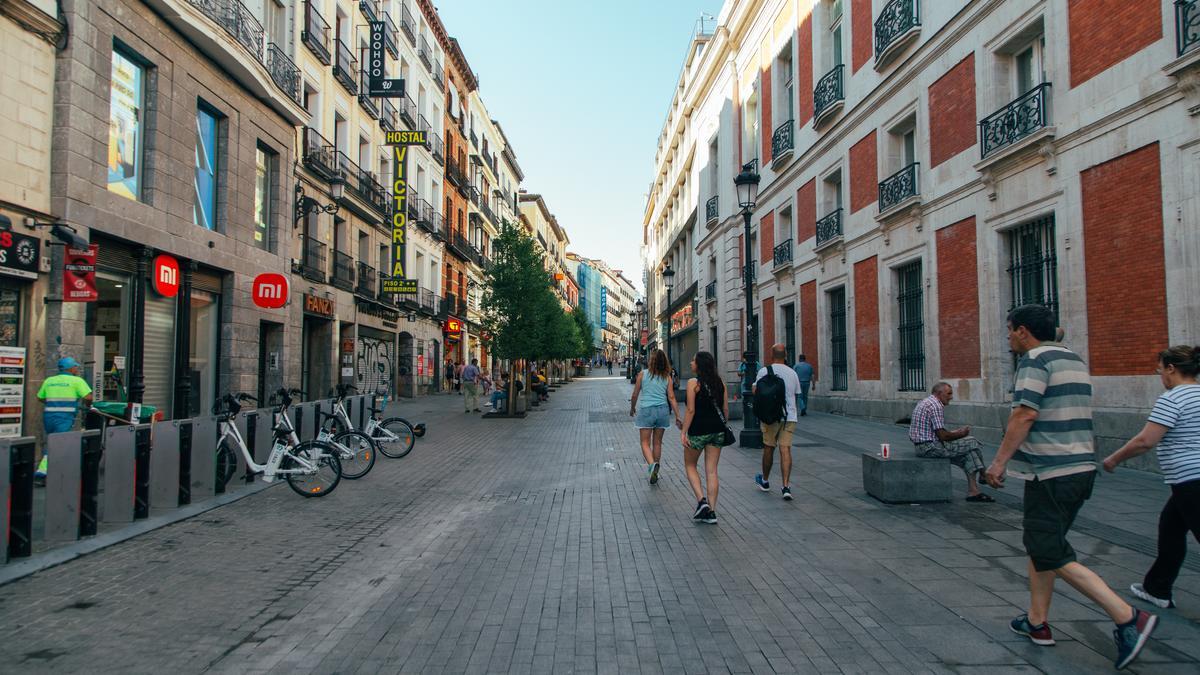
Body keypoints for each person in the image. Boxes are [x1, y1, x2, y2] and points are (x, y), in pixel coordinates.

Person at [985, 304, 1156, 669]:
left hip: (1051, 471)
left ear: (1023, 331)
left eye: (1010, 330)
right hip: (1080, 468)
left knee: (1047, 547)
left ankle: (1127, 617)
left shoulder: (1033, 360)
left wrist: (998, 462)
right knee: (1045, 545)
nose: (1009, 337)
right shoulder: (1073, 359)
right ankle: (1036, 621)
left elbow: (1025, 413)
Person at [1102, 345, 1200, 610]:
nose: (1161, 376)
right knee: (1170, 528)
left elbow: (1146, 441)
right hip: (1187, 482)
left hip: (1190, 479)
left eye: (1160, 370)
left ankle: (1158, 586)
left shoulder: (1173, 398)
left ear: (1171, 368)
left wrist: (1114, 459)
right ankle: (1157, 587)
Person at [910, 382, 992, 502]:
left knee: (970, 454)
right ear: (939, 394)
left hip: (923, 445)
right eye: (949, 393)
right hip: (929, 447)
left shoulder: (926, 402)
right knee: (972, 441)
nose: (951, 397)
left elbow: (936, 432)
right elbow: (943, 436)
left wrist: (955, 433)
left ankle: (973, 492)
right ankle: (984, 475)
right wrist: (961, 434)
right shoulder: (935, 406)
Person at [679, 351, 726, 524]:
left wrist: (683, 431)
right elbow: (725, 409)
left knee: (690, 465)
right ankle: (712, 512)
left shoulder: (693, 383)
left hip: (698, 431)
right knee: (712, 471)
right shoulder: (720, 383)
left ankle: (701, 501)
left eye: (693, 361)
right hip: (717, 430)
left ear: (699, 365)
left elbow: (690, 410)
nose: (691, 363)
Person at [35, 357, 94, 485]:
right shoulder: (76, 381)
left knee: (53, 441)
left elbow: (40, 397)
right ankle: (42, 472)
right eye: (75, 367)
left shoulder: (49, 381)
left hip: (49, 416)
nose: (77, 369)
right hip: (64, 417)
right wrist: (87, 405)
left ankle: (57, 470)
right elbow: (88, 397)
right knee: (57, 443)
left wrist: (55, 403)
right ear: (71, 368)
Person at [754, 344, 801, 500]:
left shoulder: (764, 371)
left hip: (770, 416)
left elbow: (755, 391)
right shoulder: (792, 373)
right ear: (785, 354)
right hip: (789, 416)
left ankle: (765, 481)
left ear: (771, 354)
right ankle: (786, 486)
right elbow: (797, 394)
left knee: (768, 448)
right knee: (785, 449)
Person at [630, 348, 682, 485]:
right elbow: (671, 397)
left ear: (651, 361)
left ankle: (652, 465)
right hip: (662, 411)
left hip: (647, 410)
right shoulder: (667, 377)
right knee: (657, 443)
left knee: (644, 443)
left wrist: (632, 408)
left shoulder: (643, 374)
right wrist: (678, 416)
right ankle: (656, 471)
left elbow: (635, 394)